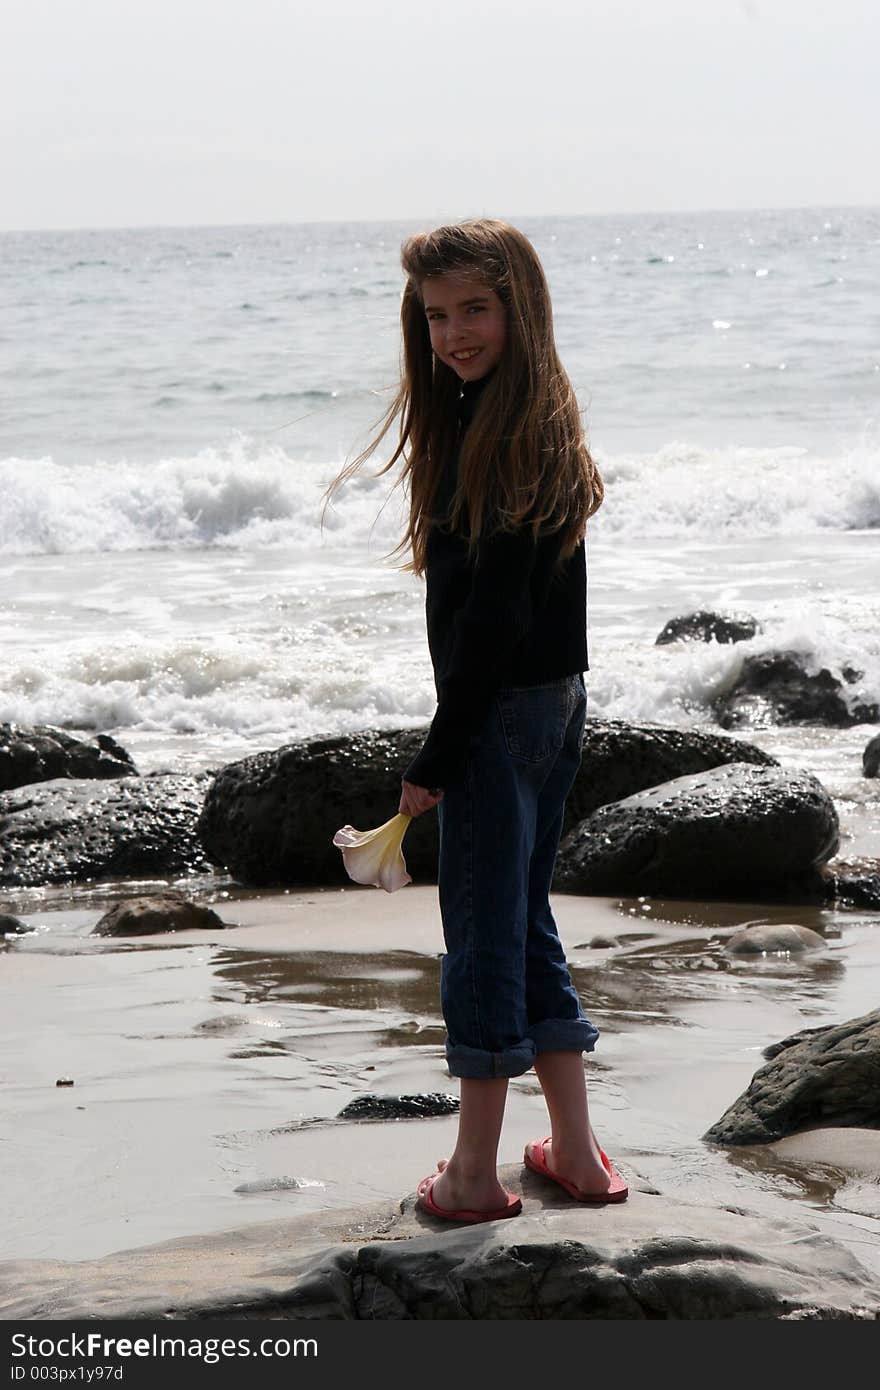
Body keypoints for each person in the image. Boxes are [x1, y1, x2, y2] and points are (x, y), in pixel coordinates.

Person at [326, 218, 627, 1223]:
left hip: (500, 712)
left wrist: (436, 757)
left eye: (476, 309)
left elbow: (491, 620)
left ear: (518, 307)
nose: (455, 332)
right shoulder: (523, 410)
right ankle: (576, 1152)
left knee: (482, 940)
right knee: (523, 917)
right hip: (551, 702)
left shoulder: (502, 430)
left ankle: (471, 1172)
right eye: (437, 313)